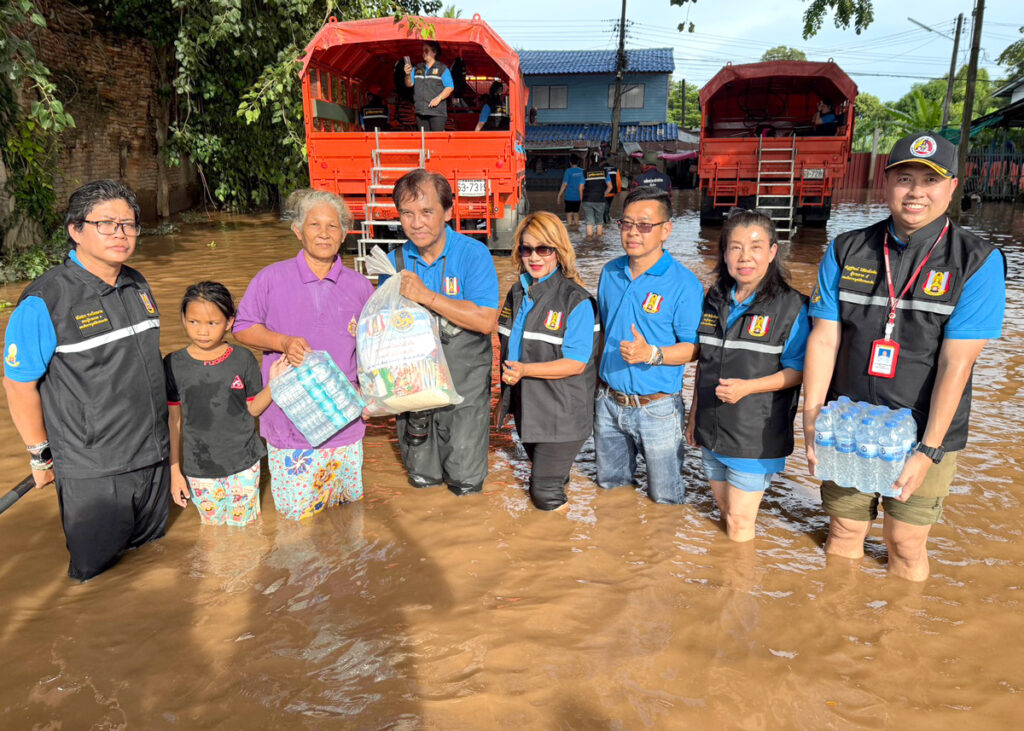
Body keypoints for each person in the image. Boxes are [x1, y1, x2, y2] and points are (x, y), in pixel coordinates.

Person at [802, 131, 1005, 581]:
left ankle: (900, 624)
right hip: (851, 424)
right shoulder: (847, 248)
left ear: (952, 187)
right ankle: (834, 618)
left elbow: (957, 365)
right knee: (844, 530)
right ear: (887, 183)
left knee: (905, 542)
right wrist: (812, 417)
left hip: (923, 433)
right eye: (904, 178)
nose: (916, 192)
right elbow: (824, 339)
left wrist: (928, 450)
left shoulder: (977, 261)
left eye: (930, 180)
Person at [2, 180, 168, 580]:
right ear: (76, 230)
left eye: (128, 224)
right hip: (95, 472)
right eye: (106, 224)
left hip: (153, 458)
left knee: (152, 563)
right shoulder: (45, 301)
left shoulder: (137, 284)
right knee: (94, 579)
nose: (120, 234)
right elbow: (18, 385)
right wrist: (40, 456)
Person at [234, 190, 374, 520]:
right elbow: (242, 327)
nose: (324, 233)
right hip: (289, 425)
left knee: (347, 520)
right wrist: (282, 342)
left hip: (344, 422)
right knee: (296, 524)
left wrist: (369, 394)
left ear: (344, 234)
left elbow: (371, 349)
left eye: (333, 225)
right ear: (298, 231)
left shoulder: (360, 286)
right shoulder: (271, 278)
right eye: (314, 224)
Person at [684, 210, 810, 542]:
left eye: (755, 247)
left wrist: (748, 388)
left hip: (755, 435)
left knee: (740, 522)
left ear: (772, 252)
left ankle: (739, 575)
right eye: (735, 247)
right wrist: (694, 417)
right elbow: (705, 363)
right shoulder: (714, 299)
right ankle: (727, 569)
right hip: (711, 428)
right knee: (725, 513)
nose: (744, 257)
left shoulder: (793, 307)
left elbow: (799, 371)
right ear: (724, 253)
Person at [385, 169, 499, 496]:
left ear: (448, 212)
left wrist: (426, 297)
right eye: (407, 213)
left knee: (465, 482)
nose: (416, 223)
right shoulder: (393, 261)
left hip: (463, 389)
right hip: (414, 391)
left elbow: (485, 321)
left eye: (426, 212)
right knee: (421, 481)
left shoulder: (473, 254)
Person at [594, 186, 702, 504]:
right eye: (626, 223)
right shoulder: (610, 272)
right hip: (609, 402)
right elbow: (603, 332)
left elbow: (694, 349)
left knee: (665, 499)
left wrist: (651, 354)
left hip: (658, 409)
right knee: (611, 493)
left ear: (666, 230)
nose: (632, 233)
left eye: (644, 225)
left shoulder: (684, 283)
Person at [496, 212, 599, 511]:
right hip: (528, 407)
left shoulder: (576, 300)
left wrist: (525, 370)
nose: (534, 257)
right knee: (555, 480)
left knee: (544, 492)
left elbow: (576, 363)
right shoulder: (518, 292)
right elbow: (511, 347)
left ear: (559, 250)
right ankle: (567, 529)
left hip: (562, 412)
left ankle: (556, 538)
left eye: (544, 249)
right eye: (526, 249)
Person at [166, 282, 289, 527]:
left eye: (213, 323)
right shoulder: (173, 364)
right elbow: (173, 421)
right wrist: (174, 471)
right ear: (183, 319)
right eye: (194, 321)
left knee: (247, 529)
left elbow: (253, 409)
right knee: (212, 533)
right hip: (199, 468)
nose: (202, 331)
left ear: (229, 322)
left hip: (243, 464)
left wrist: (273, 384)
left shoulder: (242, 359)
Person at [403, 41, 454, 132]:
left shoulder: (442, 69)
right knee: (424, 139)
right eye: (422, 51)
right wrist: (407, 74)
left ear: (434, 52)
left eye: (426, 50)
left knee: (436, 139)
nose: (424, 53)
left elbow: (450, 87)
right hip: (420, 112)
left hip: (437, 113)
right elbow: (409, 84)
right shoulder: (417, 68)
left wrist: (438, 98)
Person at [579, 159, 612, 239]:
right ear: (599, 162)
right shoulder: (605, 172)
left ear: (590, 161)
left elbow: (580, 188)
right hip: (600, 200)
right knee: (599, 222)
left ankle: (589, 241)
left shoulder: (585, 172)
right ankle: (599, 241)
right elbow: (610, 186)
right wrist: (603, 194)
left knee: (589, 222)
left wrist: (582, 199)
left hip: (587, 200)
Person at [556, 156, 585, 228]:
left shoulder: (568, 171)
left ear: (570, 162)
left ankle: (570, 231)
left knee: (569, 214)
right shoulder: (582, 171)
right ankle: (577, 230)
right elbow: (584, 185)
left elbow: (564, 184)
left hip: (569, 196)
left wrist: (559, 195)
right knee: (576, 213)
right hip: (578, 197)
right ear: (578, 162)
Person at [601, 158, 622, 226]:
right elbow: (618, 181)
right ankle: (608, 223)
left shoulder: (600, 169)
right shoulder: (615, 169)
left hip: (603, 192)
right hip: (612, 192)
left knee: (604, 208)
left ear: (601, 162)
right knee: (607, 207)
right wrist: (618, 191)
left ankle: (606, 224)